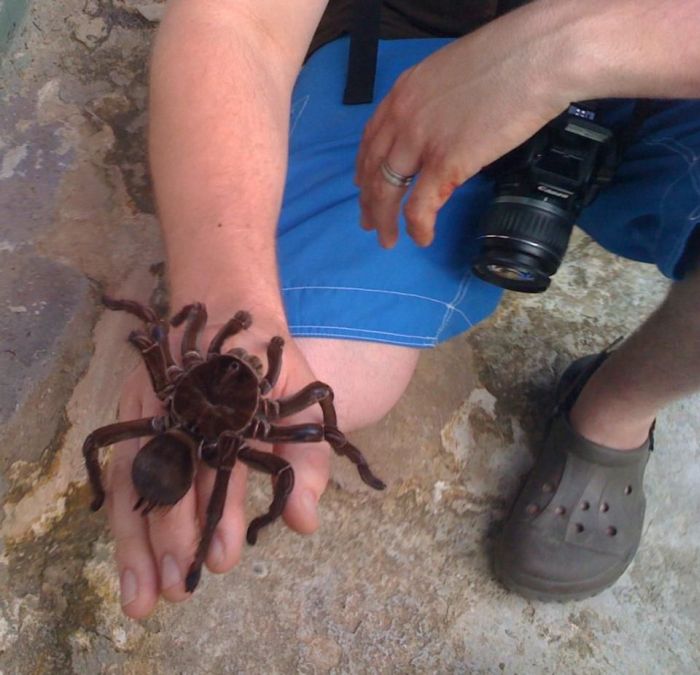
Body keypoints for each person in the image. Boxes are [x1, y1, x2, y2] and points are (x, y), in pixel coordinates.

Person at [105, 0, 700, 618]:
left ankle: (616, 408)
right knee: (329, 376)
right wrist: (226, 288)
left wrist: (572, 47)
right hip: (414, 39)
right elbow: (234, 21)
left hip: (668, 65)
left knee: (303, 407)